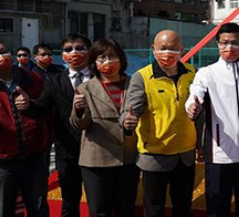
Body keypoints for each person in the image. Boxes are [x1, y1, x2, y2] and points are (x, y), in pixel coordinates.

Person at [185, 23, 239, 217]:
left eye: (234, 43)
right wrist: (192, 107)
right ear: (217, 44)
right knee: (217, 206)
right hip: (218, 154)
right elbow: (195, 94)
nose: (229, 48)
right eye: (224, 43)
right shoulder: (206, 73)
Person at [121, 30, 197, 217]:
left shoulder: (192, 73)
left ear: (182, 50)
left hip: (185, 155)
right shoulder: (143, 77)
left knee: (183, 207)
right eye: (162, 49)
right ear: (153, 49)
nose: (167, 53)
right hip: (155, 156)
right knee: (154, 209)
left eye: (173, 49)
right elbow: (130, 111)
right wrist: (127, 121)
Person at [69, 39, 139, 217]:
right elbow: (79, 125)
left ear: (121, 59)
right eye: (102, 57)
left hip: (128, 158)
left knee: (126, 209)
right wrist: (78, 110)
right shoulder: (85, 89)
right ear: (94, 62)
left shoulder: (135, 85)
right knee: (99, 211)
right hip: (96, 160)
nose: (108, 62)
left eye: (113, 57)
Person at [26, 33, 93, 217]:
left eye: (80, 48)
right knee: (69, 203)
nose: (74, 53)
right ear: (62, 55)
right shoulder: (54, 81)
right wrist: (26, 104)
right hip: (67, 150)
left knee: (98, 204)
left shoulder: (101, 78)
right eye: (68, 49)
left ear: (90, 52)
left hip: (98, 150)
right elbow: (40, 108)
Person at [0, 41, 49, 217]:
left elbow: (47, 109)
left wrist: (31, 105)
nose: (1, 57)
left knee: (39, 208)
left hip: (34, 158)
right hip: (3, 162)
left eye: (3, 52)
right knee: (4, 209)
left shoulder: (33, 79)